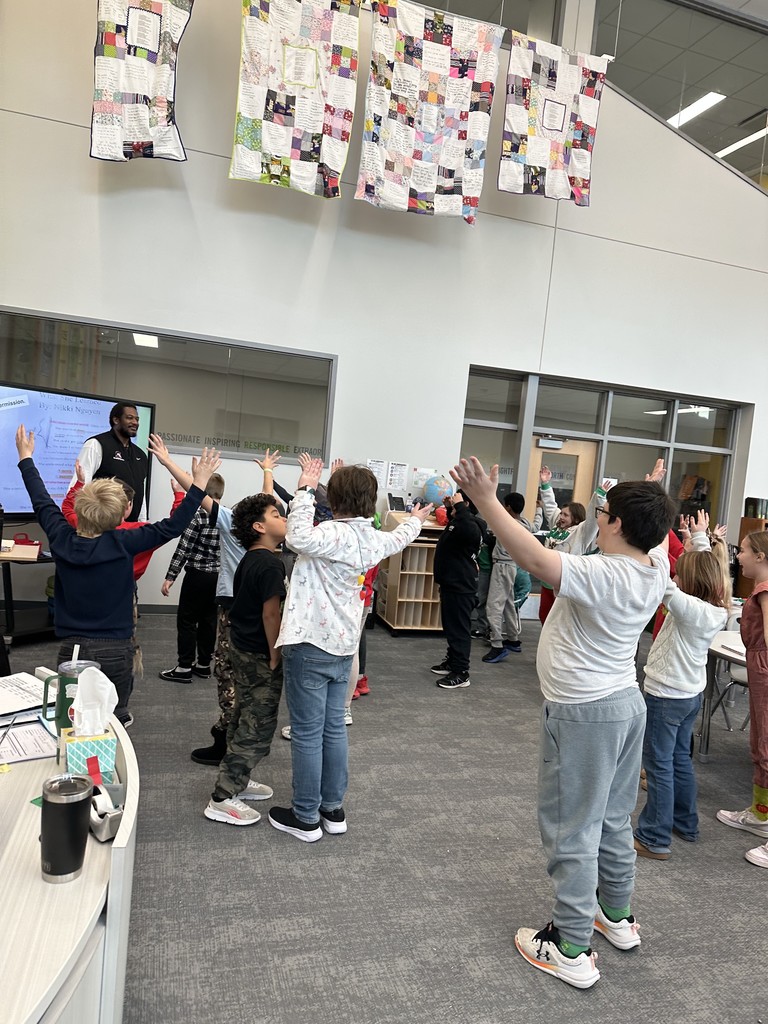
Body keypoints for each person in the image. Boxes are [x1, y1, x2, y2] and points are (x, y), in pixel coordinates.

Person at [452, 455, 677, 990]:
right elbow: (656, 532)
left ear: (618, 524)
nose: (598, 515)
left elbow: (533, 556)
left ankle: (571, 945)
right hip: (625, 705)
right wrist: (648, 492)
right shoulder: (655, 564)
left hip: (585, 715)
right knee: (613, 819)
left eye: (605, 511)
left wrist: (486, 499)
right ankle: (615, 916)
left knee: (571, 827)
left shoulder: (606, 573)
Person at [268, 457, 433, 843]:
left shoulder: (331, 534)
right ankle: (332, 809)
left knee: (308, 733)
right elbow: (401, 538)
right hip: (343, 646)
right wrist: (415, 520)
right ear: (370, 501)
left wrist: (306, 488)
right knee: (332, 728)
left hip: (310, 643)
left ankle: (306, 817)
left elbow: (296, 538)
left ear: (334, 498)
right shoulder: (374, 538)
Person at [15, 425, 220, 726]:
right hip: (116, 649)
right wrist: (198, 483)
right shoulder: (126, 541)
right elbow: (174, 525)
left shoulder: (62, 538)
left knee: (73, 719)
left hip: (72, 650)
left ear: (80, 508)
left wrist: (26, 458)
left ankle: (81, 764)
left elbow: (41, 500)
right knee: (114, 717)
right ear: (123, 512)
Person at [634, 513, 729, 860]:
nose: (675, 572)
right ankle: (684, 822)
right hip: (688, 695)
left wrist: (653, 534)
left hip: (666, 696)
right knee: (677, 761)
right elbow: (705, 567)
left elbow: (664, 583)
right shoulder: (712, 607)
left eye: (681, 571)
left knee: (658, 765)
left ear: (690, 581)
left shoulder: (690, 608)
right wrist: (700, 538)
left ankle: (654, 836)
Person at [203, 494, 287, 825]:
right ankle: (222, 796)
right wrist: (276, 655)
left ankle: (238, 777)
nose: (283, 517)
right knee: (258, 724)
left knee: (242, 715)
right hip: (258, 654)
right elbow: (270, 614)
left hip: (241, 648)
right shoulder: (269, 564)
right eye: (275, 513)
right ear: (259, 526)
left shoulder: (251, 559)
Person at [717, 529, 768, 868]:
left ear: (761, 556)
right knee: (760, 745)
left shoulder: (765, 590)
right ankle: (761, 814)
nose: (740, 556)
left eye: (745, 551)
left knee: (767, 747)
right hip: (759, 667)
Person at [159, 473, 225, 683]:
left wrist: (171, 576)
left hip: (196, 575)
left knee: (187, 620)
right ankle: (204, 665)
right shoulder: (227, 515)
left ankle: (184, 667)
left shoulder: (198, 515)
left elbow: (184, 548)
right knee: (209, 620)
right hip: (217, 577)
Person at [431, 490, 486, 689]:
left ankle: (461, 672)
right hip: (451, 583)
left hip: (461, 586)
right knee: (451, 626)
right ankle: (452, 662)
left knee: (459, 630)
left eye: (457, 503)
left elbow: (469, 532)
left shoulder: (473, 525)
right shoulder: (460, 522)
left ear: (467, 505)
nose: (454, 506)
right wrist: (449, 508)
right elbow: (458, 530)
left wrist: (460, 507)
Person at [73, 403, 148, 521]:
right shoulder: (96, 444)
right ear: (116, 420)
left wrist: (142, 522)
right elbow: (80, 485)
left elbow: (140, 494)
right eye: (129, 418)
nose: (135, 422)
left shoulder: (140, 455)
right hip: (101, 526)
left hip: (130, 529)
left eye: (137, 419)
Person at [482, 492, 533, 663]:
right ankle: (513, 639)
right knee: (509, 604)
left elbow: (489, 529)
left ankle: (497, 645)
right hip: (511, 566)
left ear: (509, 507)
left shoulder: (507, 524)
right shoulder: (524, 524)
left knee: (493, 606)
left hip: (502, 566)